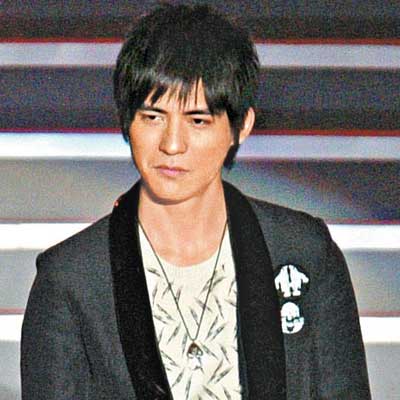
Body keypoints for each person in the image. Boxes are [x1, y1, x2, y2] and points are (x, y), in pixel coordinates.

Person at [21, 4, 371, 399]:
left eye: (198, 120)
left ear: (241, 126)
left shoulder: (303, 252)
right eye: (153, 117)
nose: (172, 144)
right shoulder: (71, 279)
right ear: (127, 120)